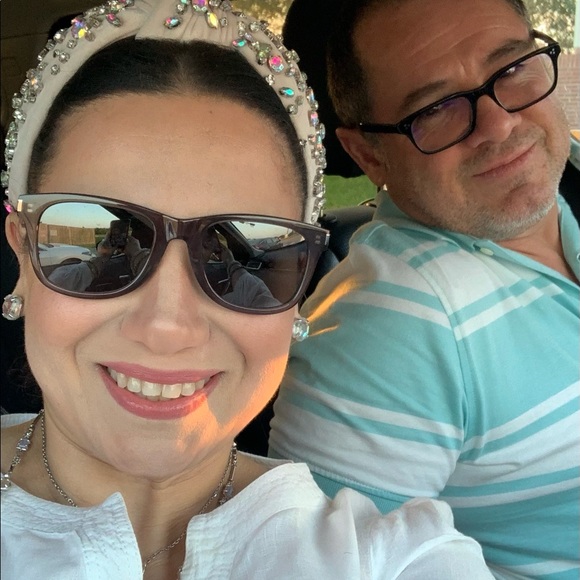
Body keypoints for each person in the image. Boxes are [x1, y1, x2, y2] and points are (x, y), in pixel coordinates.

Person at [0, 1, 493, 579]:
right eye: (104, 237)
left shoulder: (392, 559)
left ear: (301, 284)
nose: (167, 327)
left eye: (241, 251)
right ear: (21, 251)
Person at [269, 0, 580, 578]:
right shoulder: (387, 327)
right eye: (436, 108)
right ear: (369, 154)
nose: (500, 124)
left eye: (511, 68)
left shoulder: (566, 179)